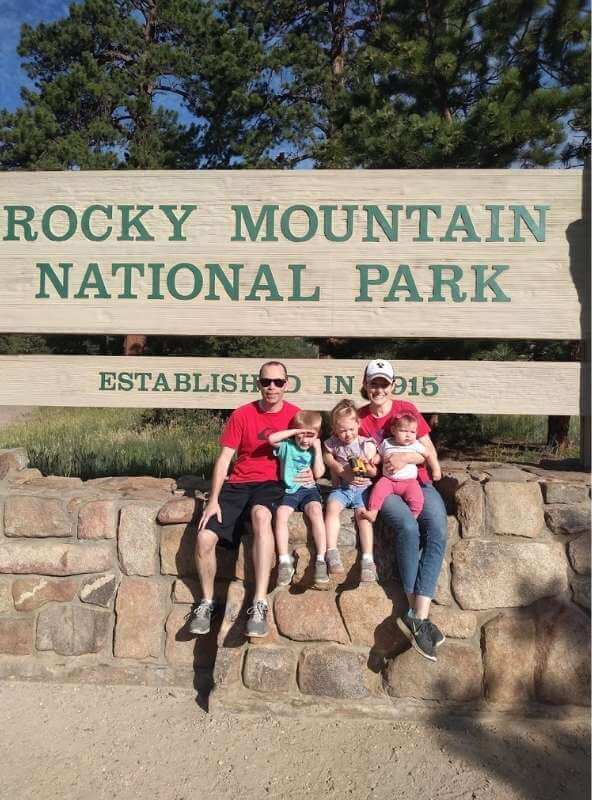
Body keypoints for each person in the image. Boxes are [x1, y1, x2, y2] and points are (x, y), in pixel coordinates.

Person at [189, 360, 306, 638]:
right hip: (239, 483)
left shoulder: (295, 415)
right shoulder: (242, 414)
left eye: (278, 382)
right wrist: (214, 498)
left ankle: (259, 602)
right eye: (266, 382)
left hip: (271, 483)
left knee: (262, 517)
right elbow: (224, 459)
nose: (272, 387)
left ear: (286, 384)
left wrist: (308, 474)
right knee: (205, 537)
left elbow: (309, 450)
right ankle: (206, 603)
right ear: (259, 384)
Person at [357, 359, 447, 662]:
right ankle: (416, 614)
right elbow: (349, 454)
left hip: (418, 483)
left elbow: (427, 449)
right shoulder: (360, 418)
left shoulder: (405, 408)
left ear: (392, 385)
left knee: (437, 530)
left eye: (384, 383)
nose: (378, 389)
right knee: (408, 527)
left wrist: (411, 457)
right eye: (374, 383)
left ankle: (417, 617)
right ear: (366, 385)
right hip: (384, 486)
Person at [268, 410, 328, 588]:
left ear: (317, 435)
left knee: (316, 512)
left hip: (309, 490)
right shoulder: (287, 445)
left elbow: (318, 473)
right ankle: (284, 561)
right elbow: (271, 439)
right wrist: (295, 432)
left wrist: (317, 447)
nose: (305, 439)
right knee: (281, 514)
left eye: (310, 435)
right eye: (301, 434)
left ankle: (320, 560)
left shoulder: (314, 449)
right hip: (290, 490)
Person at [322, 399, 379, 583]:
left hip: (362, 489)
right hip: (343, 489)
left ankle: (368, 559)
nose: (347, 434)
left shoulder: (365, 444)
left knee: (363, 517)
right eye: (342, 430)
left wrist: (366, 467)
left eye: (351, 429)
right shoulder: (333, 443)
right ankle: (331, 551)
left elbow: (373, 471)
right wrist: (337, 467)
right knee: (331, 507)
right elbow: (326, 455)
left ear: (358, 424)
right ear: (335, 429)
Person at [360, 412, 440, 522]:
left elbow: (428, 455)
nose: (408, 435)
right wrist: (376, 459)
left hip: (409, 482)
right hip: (388, 480)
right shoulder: (386, 443)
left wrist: (436, 469)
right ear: (393, 430)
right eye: (403, 431)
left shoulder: (415, 445)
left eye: (412, 432)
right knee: (377, 491)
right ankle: (373, 512)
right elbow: (381, 455)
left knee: (417, 498)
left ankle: (414, 516)